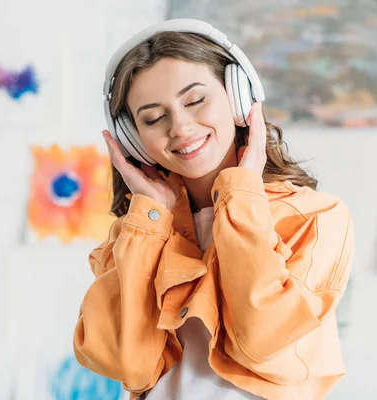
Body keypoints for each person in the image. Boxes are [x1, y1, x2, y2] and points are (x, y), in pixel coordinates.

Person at [73, 19, 354, 400]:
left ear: (238, 98)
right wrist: (150, 223)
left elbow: (260, 341)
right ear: (132, 140)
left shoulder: (317, 218)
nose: (181, 127)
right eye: (154, 118)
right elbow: (129, 366)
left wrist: (241, 194)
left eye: (195, 100)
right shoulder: (136, 232)